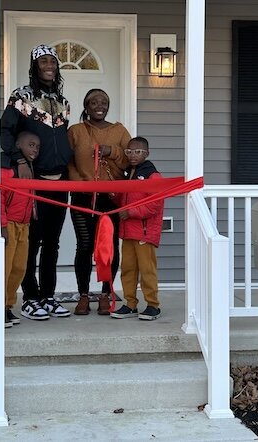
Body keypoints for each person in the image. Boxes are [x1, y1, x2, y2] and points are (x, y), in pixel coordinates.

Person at [0, 44, 72, 320]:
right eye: (43, 61)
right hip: (33, 181)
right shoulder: (21, 96)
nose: (49, 65)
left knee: (53, 242)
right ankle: (30, 297)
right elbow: (5, 131)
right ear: (34, 66)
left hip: (60, 182)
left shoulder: (63, 102)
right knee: (32, 242)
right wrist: (19, 160)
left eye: (52, 61)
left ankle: (48, 296)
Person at [67, 89, 130, 315]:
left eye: (103, 101)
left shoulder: (119, 131)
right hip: (82, 196)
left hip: (111, 198)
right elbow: (68, 161)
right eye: (93, 102)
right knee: (84, 245)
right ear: (86, 106)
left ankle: (106, 293)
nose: (99, 105)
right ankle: (83, 295)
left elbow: (129, 159)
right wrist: (79, 182)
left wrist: (111, 150)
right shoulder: (75, 131)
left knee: (109, 247)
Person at [110, 137, 164, 321]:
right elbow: (123, 200)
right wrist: (115, 195)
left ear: (146, 153)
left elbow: (155, 205)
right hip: (127, 232)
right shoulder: (127, 173)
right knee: (128, 269)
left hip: (144, 232)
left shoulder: (152, 175)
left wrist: (131, 212)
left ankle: (152, 305)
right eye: (129, 151)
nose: (133, 155)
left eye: (138, 152)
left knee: (147, 269)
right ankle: (130, 304)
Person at [1, 131, 40, 327]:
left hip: (24, 225)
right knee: (4, 268)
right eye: (31, 145)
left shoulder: (31, 168)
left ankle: (8, 307)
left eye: (37, 147)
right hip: (9, 224)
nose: (35, 149)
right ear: (17, 145)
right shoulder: (7, 167)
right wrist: (2, 225)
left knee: (19, 268)